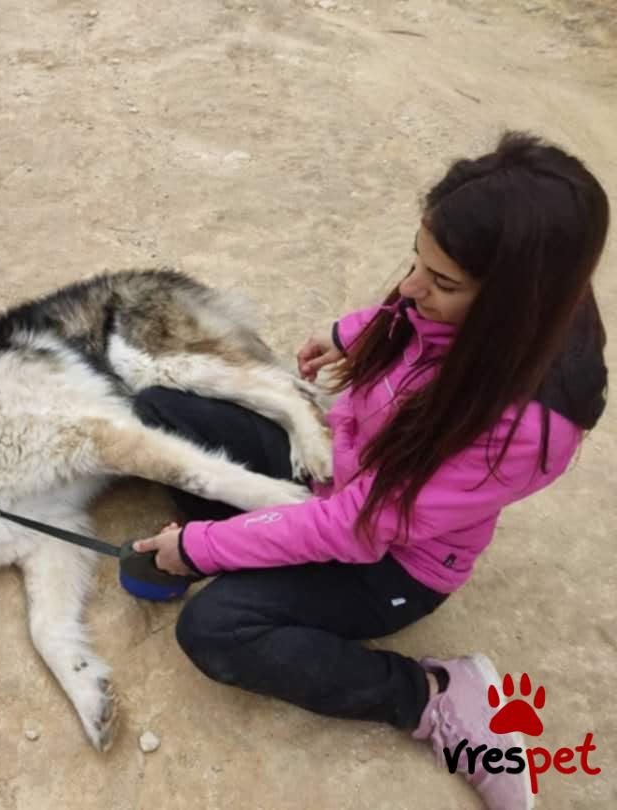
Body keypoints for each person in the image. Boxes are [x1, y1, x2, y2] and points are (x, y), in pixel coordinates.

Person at [131, 131, 608, 810]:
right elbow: (411, 318)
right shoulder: (496, 296)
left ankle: (432, 697)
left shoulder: (526, 429)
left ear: (510, 305)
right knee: (159, 409)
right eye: (417, 261)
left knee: (215, 629)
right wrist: (349, 333)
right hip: (335, 475)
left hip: (388, 560)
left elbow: (356, 528)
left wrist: (203, 547)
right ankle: (253, 554)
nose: (411, 288)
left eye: (442, 282)